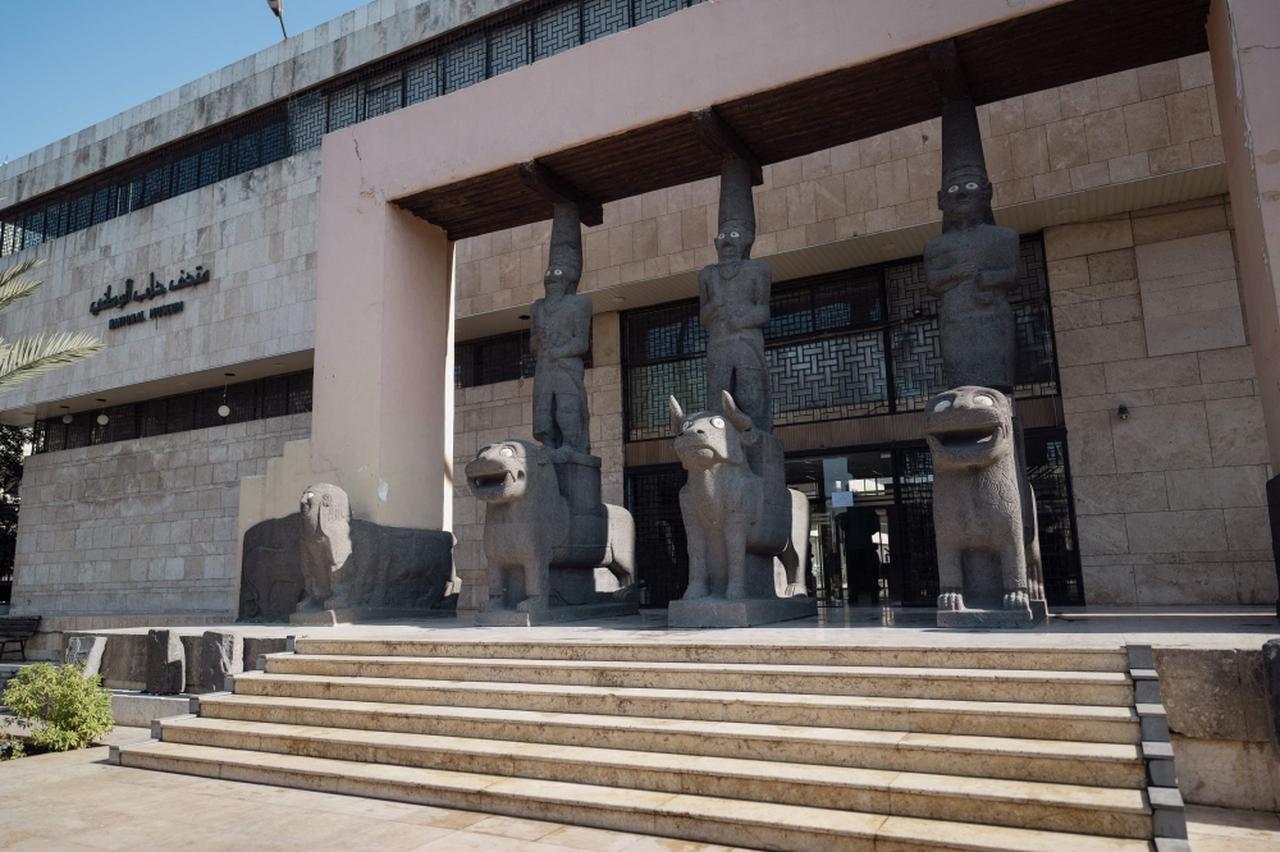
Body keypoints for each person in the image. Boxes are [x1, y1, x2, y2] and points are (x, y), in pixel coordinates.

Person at [700, 157, 772, 432]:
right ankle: (719, 434)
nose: (727, 243)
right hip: (718, 343)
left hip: (746, 341)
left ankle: (755, 433)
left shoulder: (757, 270)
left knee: (749, 391)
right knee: (717, 395)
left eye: (733, 235)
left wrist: (740, 319)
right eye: (722, 237)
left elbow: (763, 311)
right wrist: (714, 308)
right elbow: (703, 317)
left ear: (746, 239)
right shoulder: (708, 274)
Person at [531, 203, 592, 454]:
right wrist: (540, 343)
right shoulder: (537, 307)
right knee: (544, 409)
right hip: (545, 366)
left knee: (568, 406)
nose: (551, 279)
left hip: (567, 366)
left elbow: (582, 342)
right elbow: (533, 342)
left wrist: (559, 351)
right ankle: (549, 441)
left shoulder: (578, 304)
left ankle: (570, 443)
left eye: (557, 275)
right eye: (549, 275)